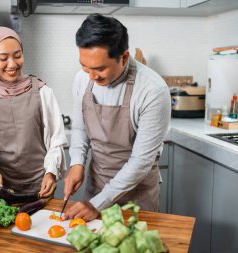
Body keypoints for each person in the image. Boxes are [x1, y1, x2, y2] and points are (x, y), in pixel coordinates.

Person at [63, 14, 171, 221]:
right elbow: (80, 128)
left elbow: (141, 161)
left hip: (137, 197)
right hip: (96, 188)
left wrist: (98, 204)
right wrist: (76, 163)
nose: (91, 76)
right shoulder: (81, 79)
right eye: (85, 66)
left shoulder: (152, 90)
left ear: (123, 57)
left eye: (100, 69)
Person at [0, 27, 67, 198]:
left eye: (18, 55)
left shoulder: (42, 92)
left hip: (41, 187)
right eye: (3, 58)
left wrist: (51, 172)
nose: (12, 64)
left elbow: (56, 141)